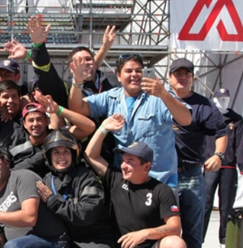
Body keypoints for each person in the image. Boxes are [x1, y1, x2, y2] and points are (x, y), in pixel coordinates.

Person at [84, 117, 209, 248]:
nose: (123, 166)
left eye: (130, 162)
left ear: (147, 166)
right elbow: (90, 154)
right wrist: (104, 128)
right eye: (123, 160)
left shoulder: (161, 190)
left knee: (176, 244)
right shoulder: (115, 179)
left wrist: (145, 233)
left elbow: (174, 228)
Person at [155, 58, 227, 248]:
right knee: (165, 227)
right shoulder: (158, 99)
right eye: (177, 74)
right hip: (163, 175)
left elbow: (221, 131)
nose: (182, 78)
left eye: (187, 74)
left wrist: (218, 155)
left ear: (193, 78)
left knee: (193, 229)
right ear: (169, 77)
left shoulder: (203, 105)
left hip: (191, 173)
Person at [69, 53, 192, 188]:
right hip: (125, 182)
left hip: (160, 181)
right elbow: (78, 107)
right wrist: (77, 82)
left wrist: (163, 94)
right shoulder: (111, 97)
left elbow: (186, 119)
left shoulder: (159, 97)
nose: (134, 75)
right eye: (128, 71)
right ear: (118, 76)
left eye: (138, 71)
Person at [35, 129, 117, 248]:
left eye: (66, 151)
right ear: (48, 157)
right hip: (69, 247)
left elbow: (86, 214)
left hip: (94, 243)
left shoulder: (87, 177)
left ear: (74, 154)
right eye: (56, 152)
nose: (61, 156)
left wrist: (53, 202)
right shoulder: (46, 181)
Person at [204, 88, 243, 246]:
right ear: (214, 100)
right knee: (205, 203)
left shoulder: (237, 120)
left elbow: (241, 143)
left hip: (229, 166)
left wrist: (241, 163)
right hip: (209, 165)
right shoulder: (208, 118)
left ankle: (224, 239)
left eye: (225, 99)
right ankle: (198, 239)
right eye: (220, 99)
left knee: (227, 205)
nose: (223, 101)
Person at [11, 96, 95, 177]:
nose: (35, 124)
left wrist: (58, 110)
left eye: (39, 119)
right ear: (24, 124)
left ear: (47, 121)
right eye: (31, 120)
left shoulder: (59, 135)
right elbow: (14, 171)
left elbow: (89, 127)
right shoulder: (20, 142)